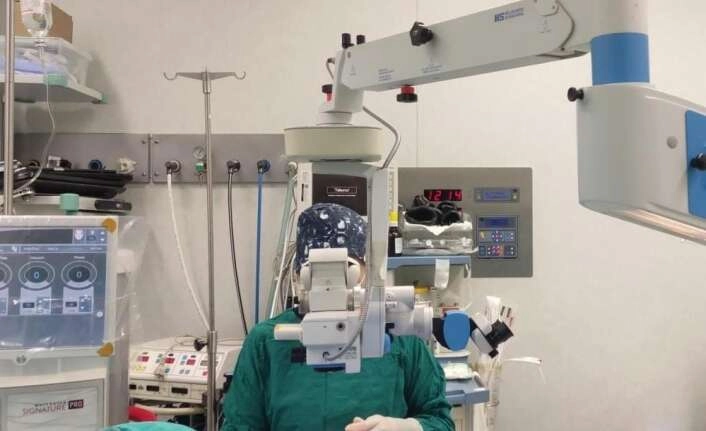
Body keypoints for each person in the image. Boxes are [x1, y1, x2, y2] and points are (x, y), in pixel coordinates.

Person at [222, 203, 454, 431]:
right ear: (299, 275)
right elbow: (239, 425)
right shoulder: (266, 342)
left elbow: (439, 421)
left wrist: (405, 427)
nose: (330, 286)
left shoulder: (399, 334)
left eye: (346, 270)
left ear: (365, 271)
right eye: (316, 273)